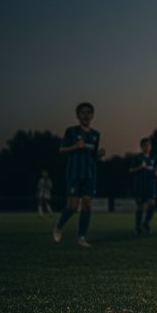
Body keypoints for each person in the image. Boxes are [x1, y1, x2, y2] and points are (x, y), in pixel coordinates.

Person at [54, 102, 105, 248]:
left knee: (87, 205)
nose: (86, 115)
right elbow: (62, 150)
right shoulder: (71, 131)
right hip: (74, 173)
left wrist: (99, 154)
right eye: (83, 112)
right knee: (72, 207)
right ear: (78, 116)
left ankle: (81, 237)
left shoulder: (96, 134)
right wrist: (75, 146)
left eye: (89, 112)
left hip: (89, 174)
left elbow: (93, 155)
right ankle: (59, 225)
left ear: (92, 115)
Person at [128, 137, 157, 235]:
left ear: (151, 147)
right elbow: (130, 170)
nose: (147, 147)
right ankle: (137, 227)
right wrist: (140, 167)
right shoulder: (137, 157)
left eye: (148, 145)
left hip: (151, 185)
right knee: (140, 206)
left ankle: (146, 223)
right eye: (145, 145)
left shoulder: (153, 158)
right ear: (141, 147)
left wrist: (156, 173)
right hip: (140, 185)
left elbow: (156, 171)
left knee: (152, 204)